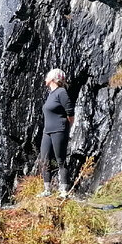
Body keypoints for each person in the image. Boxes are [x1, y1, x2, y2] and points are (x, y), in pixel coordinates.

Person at [39, 68, 75, 197]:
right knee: (45, 160)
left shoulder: (61, 92)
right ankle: (47, 190)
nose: (45, 78)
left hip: (59, 129)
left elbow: (70, 112)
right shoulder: (51, 94)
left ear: (54, 79)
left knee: (60, 160)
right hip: (47, 131)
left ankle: (64, 190)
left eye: (47, 76)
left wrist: (66, 127)